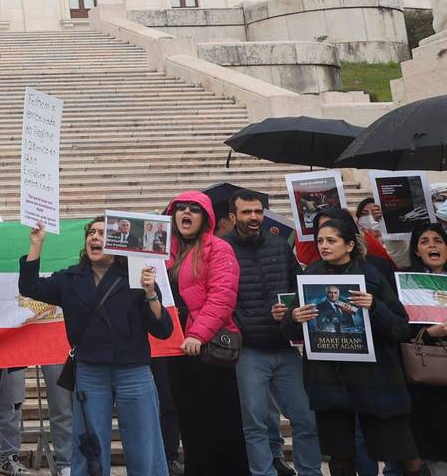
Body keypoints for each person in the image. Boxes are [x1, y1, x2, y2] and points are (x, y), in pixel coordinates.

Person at [18, 219, 172, 476]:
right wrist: (36, 244)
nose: (95, 237)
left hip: (133, 372)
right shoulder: (70, 278)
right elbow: (30, 287)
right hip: (91, 371)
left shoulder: (137, 278)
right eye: (91, 232)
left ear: (118, 242)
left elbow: (163, 330)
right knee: (89, 444)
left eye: (102, 233)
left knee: (144, 444)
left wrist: (150, 293)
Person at [281, 211, 418, 475]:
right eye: (320, 240)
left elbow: (401, 327)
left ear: (350, 245)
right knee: (340, 457)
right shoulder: (311, 274)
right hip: (330, 380)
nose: (324, 246)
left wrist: (374, 305)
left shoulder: (372, 274)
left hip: (375, 378)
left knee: (404, 455)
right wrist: (293, 317)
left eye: (331, 240)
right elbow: (289, 330)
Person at [222, 189, 322, 476]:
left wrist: (291, 310)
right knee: (255, 423)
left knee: (305, 418)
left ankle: (310, 472)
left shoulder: (280, 245)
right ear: (233, 217)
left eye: (258, 211)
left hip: (284, 346)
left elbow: (298, 287)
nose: (254, 217)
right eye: (246, 212)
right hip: (249, 351)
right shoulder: (222, 249)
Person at [161, 190, 244, 476]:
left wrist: (198, 334)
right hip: (175, 347)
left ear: (206, 218)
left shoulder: (219, 248)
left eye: (193, 210)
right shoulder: (162, 251)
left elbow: (222, 296)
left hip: (205, 347)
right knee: (189, 421)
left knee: (220, 422)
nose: (186, 213)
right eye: (180, 208)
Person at [400, 221, 447, 472]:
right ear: (417, 251)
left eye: (438, 241)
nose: (432, 246)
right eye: (425, 241)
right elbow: (400, 329)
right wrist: (428, 334)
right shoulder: (407, 283)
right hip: (427, 377)